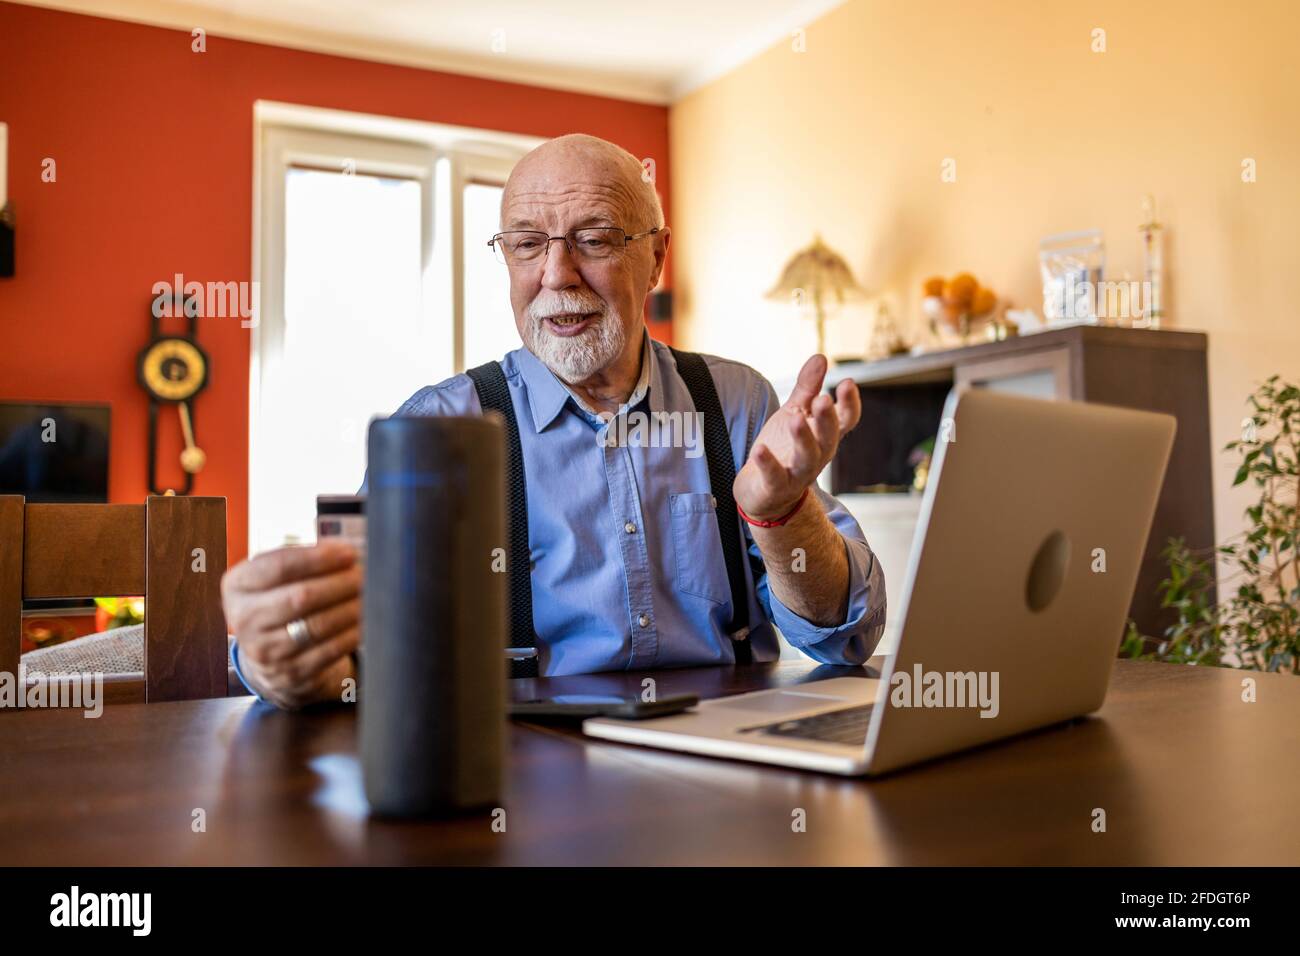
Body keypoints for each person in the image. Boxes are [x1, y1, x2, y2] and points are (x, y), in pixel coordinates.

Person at [223, 133, 885, 709]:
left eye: (593, 240)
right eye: (526, 244)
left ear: (654, 257)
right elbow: (349, 653)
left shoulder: (735, 401)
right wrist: (281, 657)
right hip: (518, 781)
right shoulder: (439, 425)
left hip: (728, 766)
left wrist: (782, 513)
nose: (555, 274)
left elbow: (846, 635)